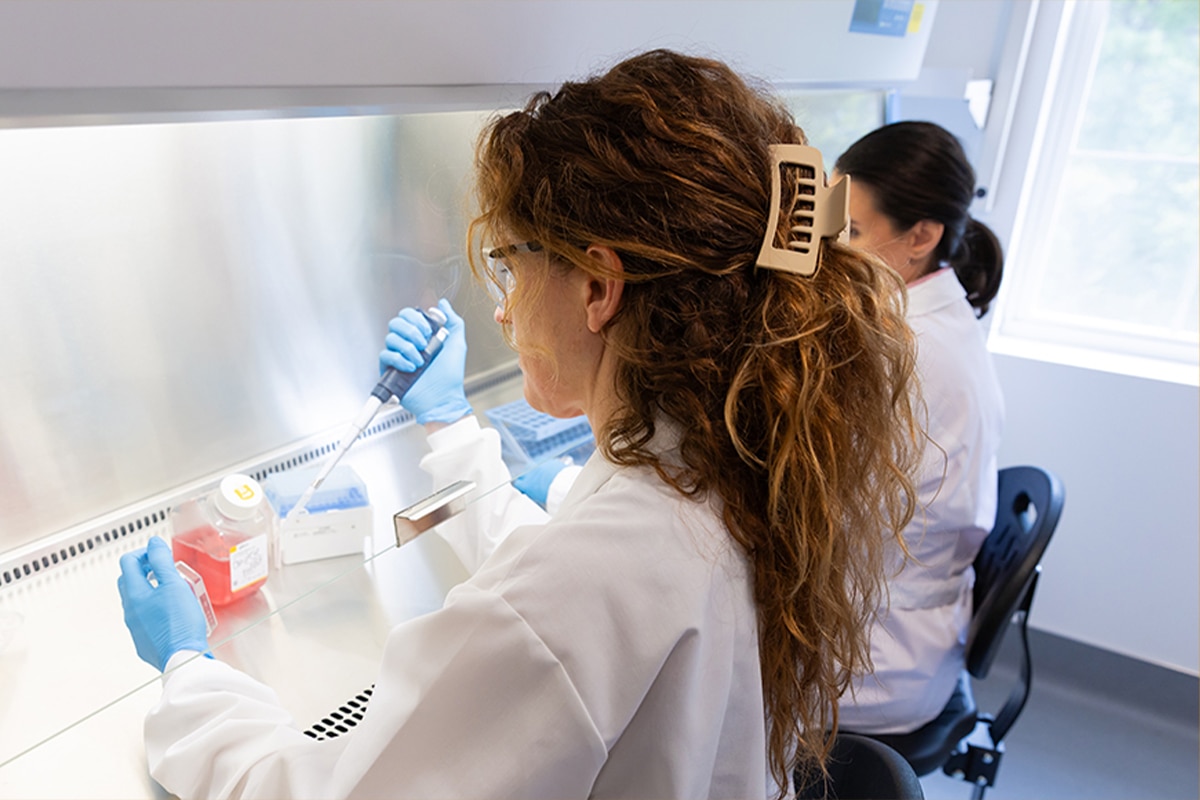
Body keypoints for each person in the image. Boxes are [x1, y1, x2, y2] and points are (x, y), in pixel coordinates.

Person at [117, 50, 919, 799]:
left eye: (510, 262)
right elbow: (579, 618)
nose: (501, 304)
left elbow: (325, 787)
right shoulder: (742, 461)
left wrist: (191, 675)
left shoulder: (588, 580)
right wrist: (452, 429)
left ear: (599, 287)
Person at [831, 120, 1006, 735]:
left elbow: (821, 522)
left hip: (871, 660)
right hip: (903, 625)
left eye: (849, 231)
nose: (829, 249)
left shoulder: (913, 352)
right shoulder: (937, 320)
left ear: (921, 236)